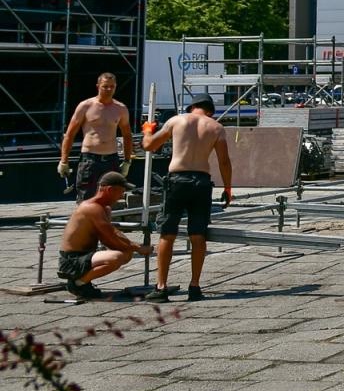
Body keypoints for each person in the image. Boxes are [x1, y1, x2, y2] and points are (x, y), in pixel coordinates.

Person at [141, 96, 231, 302]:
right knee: (198, 235)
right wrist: (227, 187)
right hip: (201, 181)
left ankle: (161, 287)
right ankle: (195, 286)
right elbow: (224, 162)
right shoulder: (217, 128)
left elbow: (149, 146)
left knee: (167, 234)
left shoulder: (176, 120)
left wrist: (148, 128)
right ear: (210, 112)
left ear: (192, 108)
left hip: (177, 180)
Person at [56, 172, 151, 300]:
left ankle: (83, 281)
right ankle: (78, 283)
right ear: (110, 190)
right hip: (71, 261)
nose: (121, 196)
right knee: (116, 257)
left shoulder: (104, 209)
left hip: (83, 256)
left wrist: (133, 246)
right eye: (121, 192)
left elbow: (113, 234)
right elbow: (110, 238)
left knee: (126, 253)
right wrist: (138, 248)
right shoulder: (92, 208)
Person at [57, 73, 134, 202]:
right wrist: (63, 161)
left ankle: (104, 221)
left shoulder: (120, 109)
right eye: (105, 86)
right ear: (98, 86)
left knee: (110, 198)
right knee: (86, 198)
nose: (109, 90)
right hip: (90, 159)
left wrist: (127, 161)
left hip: (111, 159)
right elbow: (70, 134)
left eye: (112, 86)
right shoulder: (86, 106)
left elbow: (127, 136)